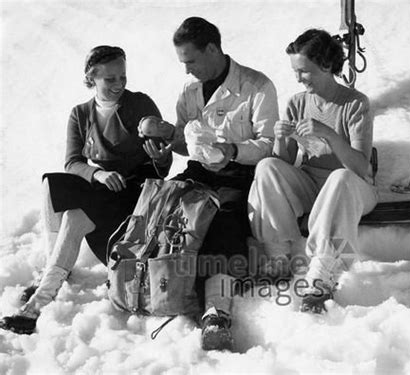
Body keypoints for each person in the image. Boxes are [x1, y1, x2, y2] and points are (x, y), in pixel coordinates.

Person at [0, 46, 171, 334]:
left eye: (122, 77)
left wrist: (160, 156)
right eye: (110, 79)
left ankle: (38, 305)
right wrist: (100, 174)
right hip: (105, 187)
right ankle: (55, 269)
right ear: (91, 79)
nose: (119, 85)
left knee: (75, 216)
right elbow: (72, 162)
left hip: (135, 195)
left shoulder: (140, 104)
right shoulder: (80, 114)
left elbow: (162, 166)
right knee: (52, 184)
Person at [148, 17, 279, 351]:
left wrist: (232, 150)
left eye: (190, 60)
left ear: (212, 49)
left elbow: (268, 145)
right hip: (200, 171)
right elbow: (184, 143)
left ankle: (216, 313)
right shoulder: (190, 91)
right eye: (183, 62)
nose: (187, 69)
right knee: (159, 205)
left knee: (222, 219)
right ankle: (157, 286)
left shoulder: (256, 86)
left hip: (239, 173)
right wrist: (167, 138)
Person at [248, 29, 377, 314]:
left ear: (327, 66)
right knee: (267, 166)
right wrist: (283, 137)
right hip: (311, 185)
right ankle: (279, 255)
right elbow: (283, 161)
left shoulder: (355, 104)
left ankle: (323, 268)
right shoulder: (297, 102)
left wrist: (329, 134)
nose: (298, 78)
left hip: (352, 188)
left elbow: (360, 166)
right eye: (295, 71)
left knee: (339, 176)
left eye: (304, 71)